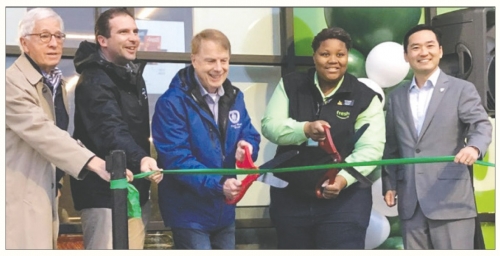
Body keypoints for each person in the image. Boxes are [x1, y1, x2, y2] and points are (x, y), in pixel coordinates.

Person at [5, 7, 129, 249]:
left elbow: (60, 135)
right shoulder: (10, 84)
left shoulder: (55, 83)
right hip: (17, 200)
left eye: (58, 36)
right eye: (44, 36)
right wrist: (93, 161)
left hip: (46, 196)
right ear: (23, 43)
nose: (54, 43)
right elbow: (43, 132)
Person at [261, 27, 385, 249]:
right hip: (291, 197)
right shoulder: (291, 84)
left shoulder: (364, 97)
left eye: (340, 54)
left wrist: (343, 178)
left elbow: (371, 149)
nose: (333, 60)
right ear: (314, 56)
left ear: (348, 57)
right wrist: (305, 129)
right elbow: (270, 126)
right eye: (325, 54)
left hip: (345, 203)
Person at [382, 24, 492, 250]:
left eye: (430, 46)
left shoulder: (462, 89)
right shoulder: (396, 96)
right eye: (415, 48)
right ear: (406, 55)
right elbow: (392, 145)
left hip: (450, 200)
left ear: (440, 51)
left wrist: (473, 148)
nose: (423, 52)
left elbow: (480, 125)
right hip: (410, 202)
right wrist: (389, 183)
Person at [152, 29, 261, 249]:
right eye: (210, 61)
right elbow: (177, 159)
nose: (218, 68)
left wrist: (247, 148)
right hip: (189, 214)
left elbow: (249, 133)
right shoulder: (171, 102)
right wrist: (219, 184)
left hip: (225, 211)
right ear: (194, 60)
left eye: (224, 60)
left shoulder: (235, 96)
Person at [70, 8, 163, 249]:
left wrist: (144, 161)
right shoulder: (94, 80)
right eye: (123, 32)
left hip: (135, 192)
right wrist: (141, 158)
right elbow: (109, 131)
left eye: (135, 31)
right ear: (102, 40)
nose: (133, 38)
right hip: (104, 196)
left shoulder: (132, 75)